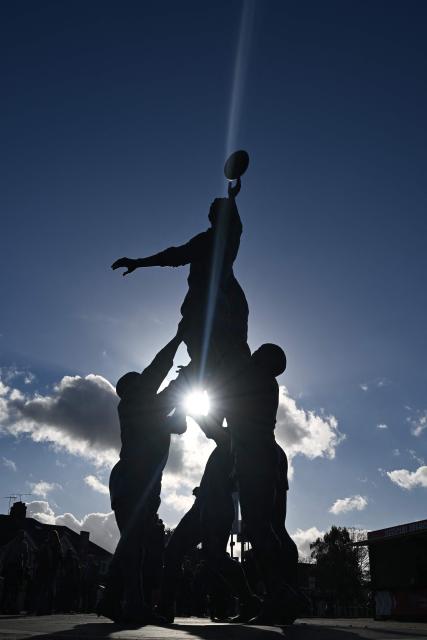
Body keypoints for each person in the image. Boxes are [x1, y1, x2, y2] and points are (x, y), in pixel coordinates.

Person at [111, 181, 249, 375]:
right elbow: (173, 256)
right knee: (194, 336)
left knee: (206, 338)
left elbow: (174, 256)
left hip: (215, 302)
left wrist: (232, 199)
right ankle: (203, 368)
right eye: (212, 208)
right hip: (207, 302)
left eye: (216, 208)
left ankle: (209, 370)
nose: (211, 210)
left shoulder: (220, 241)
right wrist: (138, 262)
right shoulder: (208, 240)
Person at [98, 330, 187, 625]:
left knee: (137, 543)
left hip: (143, 485)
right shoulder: (134, 406)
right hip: (131, 481)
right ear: (131, 390)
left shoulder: (152, 413)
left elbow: (180, 423)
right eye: (140, 381)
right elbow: (160, 369)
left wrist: (186, 382)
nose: (147, 383)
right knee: (134, 543)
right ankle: (133, 604)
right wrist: (178, 338)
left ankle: (112, 599)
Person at [159, 424, 258, 623]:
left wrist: (188, 400)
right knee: (177, 551)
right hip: (205, 505)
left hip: (216, 507)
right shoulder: (231, 442)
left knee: (214, 558)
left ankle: (249, 600)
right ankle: (165, 605)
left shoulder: (232, 439)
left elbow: (209, 428)